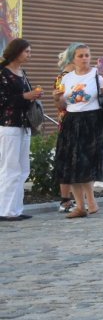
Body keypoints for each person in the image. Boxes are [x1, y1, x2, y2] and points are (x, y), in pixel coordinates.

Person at [55, 43, 103, 218]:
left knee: (85, 162)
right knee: (70, 164)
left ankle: (90, 202)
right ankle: (80, 206)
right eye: (80, 56)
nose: (84, 59)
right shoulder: (66, 79)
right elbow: (62, 104)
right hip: (71, 121)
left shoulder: (97, 75)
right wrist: (57, 99)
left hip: (91, 121)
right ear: (73, 59)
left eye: (87, 55)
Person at [0, 39, 41, 221]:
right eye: (27, 52)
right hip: (9, 125)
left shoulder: (22, 73)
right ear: (16, 52)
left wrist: (33, 96)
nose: (29, 55)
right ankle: (5, 210)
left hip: (24, 125)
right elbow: (4, 101)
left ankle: (16, 208)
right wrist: (25, 96)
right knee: (10, 168)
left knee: (23, 168)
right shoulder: (3, 73)